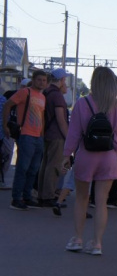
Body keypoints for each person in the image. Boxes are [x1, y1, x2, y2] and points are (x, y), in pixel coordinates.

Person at [63, 67, 117, 255]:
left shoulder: (82, 104)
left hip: (86, 154)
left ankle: (77, 238)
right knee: (101, 201)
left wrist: (66, 154)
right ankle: (97, 243)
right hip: (108, 157)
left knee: (82, 199)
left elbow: (74, 133)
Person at [5, 70, 48, 210]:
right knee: (23, 168)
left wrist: (42, 134)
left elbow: (41, 116)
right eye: (39, 79)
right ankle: (16, 199)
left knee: (33, 169)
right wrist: (5, 125)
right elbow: (8, 105)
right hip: (26, 134)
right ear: (34, 80)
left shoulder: (42, 97)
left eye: (44, 80)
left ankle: (27, 196)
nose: (41, 82)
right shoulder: (25, 92)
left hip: (38, 137)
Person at [38, 68, 70, 207]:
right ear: (62, 79)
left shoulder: (47, 92)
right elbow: (61, 120)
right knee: (54, 166)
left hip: (46, 134)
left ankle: (42, 194)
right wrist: (69, 138)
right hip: (57, 136)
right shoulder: (57, 96)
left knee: (45, 165)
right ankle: (48, 196)